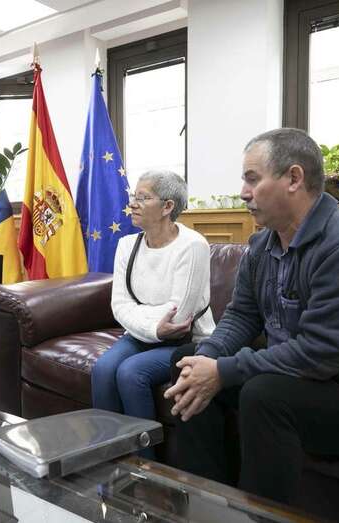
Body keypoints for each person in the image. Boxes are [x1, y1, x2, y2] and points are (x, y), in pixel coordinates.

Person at [165, 128, 339, 504]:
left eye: (252, 179)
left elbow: (320, 354)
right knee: (186, 362)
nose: (243, 192)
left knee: (263, 395)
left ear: (294, 178)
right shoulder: (262, 244)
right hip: (300, 378)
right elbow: (242, 315)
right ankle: (207, 503)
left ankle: (260, 515)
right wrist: (208, 359)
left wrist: (224, 371)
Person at [92, 170, 214, 457]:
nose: (133, 203)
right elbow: (119, 305)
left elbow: (179, 318)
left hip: (186, 339)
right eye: (133, 196)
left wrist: (142, 316)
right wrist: (153, 327)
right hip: (144, 335)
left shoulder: (193, 245)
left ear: (168, 206)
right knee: (102, 369)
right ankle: (107, 457)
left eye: (143, 197)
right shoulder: (127, 245)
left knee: (131, 372)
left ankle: (145, 467)